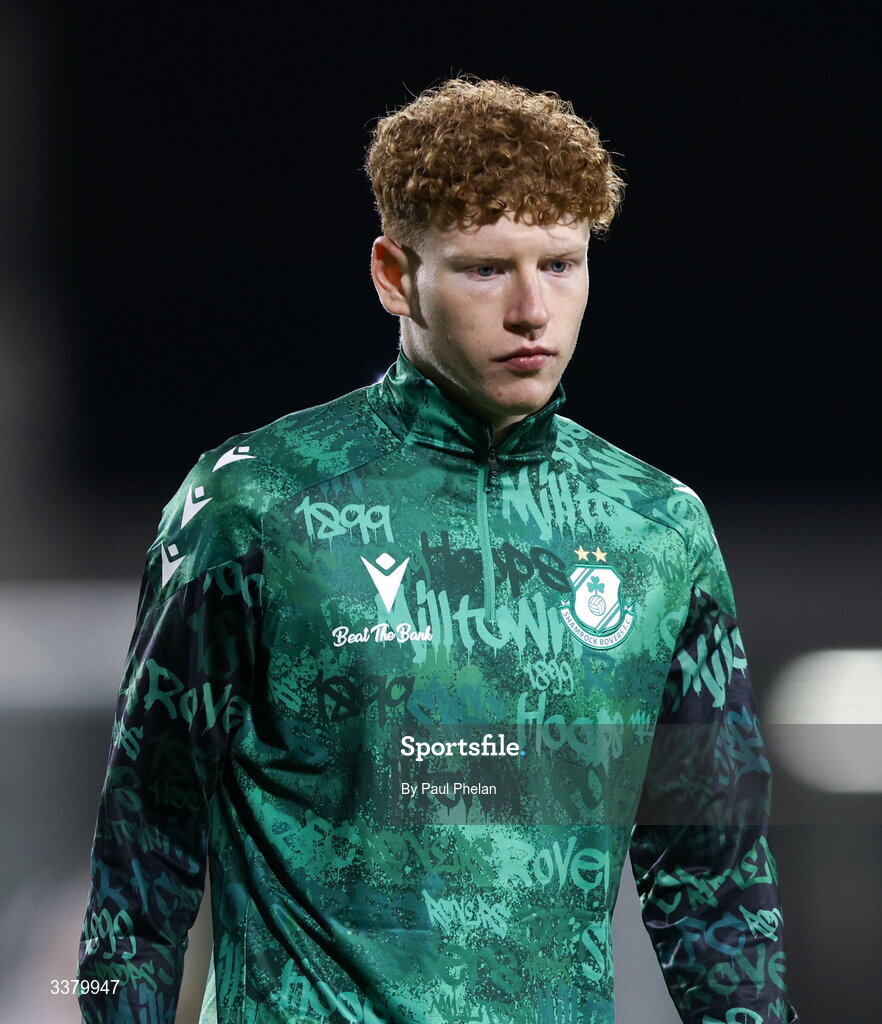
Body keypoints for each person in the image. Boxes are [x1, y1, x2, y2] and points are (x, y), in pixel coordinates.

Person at [78, 78, 798, 1024]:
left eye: (563, 263)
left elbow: (715, 884)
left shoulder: (658, 531)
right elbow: (142, 861)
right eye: (487, 268)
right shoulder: (255, 506)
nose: (534, 310)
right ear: (393, 274)